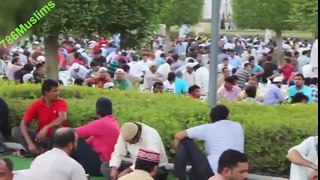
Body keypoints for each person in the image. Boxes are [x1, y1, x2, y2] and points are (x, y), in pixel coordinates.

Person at [173, 105, 244, 179]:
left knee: (185, 141)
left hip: (212, 172)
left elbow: (178, 136)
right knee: (194, 170)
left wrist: (178, 154)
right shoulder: (238, 126)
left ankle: (179, 177)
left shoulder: (209, 127)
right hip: (234, 173)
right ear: (228, 116)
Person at [12, 79, 68, 155]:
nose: (58, 93)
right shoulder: (36, 104)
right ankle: (34, 150)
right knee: (16, 131)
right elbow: (23, 124)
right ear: (46, 92)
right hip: (41, 139)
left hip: (56, 140)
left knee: (57, 129)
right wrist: (30, 143)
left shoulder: (61, 102)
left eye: (58, 90)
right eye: (54, 91)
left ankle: (43, 152)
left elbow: (62, 118)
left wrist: (46, 127)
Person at [74, 97, 120, 177]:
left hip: (105, 164)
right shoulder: (112, 120)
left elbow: (76, 132)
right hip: (110, 161)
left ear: (97, 109)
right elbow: (89, 140)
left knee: (72, 138)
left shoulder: (102, 123)